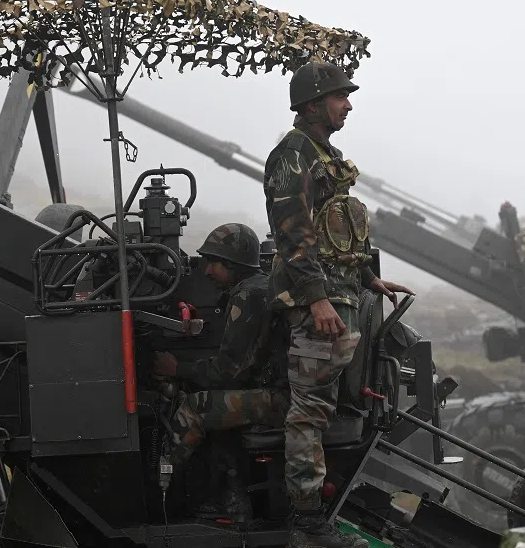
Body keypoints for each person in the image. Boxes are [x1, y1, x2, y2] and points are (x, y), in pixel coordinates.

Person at [263, 61, 415, 548]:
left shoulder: (325, 155)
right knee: (309, 410)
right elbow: (294, 236)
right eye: (338, 97)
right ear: (312, 105)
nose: (347, 104)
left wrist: (369, 278)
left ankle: (318, 510)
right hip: (321, 303)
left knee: (327, 407)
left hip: (343, 296)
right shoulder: (292, 156)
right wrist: (317, 300)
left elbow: (338, 231)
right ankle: (307, 521)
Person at [149, 223, 289, 519]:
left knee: (194, 408)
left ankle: (157, 495)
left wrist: (177, 369)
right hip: (278, 392)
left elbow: (227, 372)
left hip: (280, 399)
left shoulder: (247, 296)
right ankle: (229, 501)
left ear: (234, 264)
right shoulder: (257, 288)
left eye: (214, 263)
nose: (207, 271)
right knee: (214, 407)